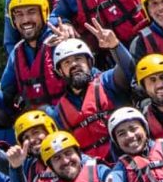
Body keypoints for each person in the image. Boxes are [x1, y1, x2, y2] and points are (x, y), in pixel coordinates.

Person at [51, 28, 134, 163]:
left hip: (125, 160)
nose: (74, 64)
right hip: (92, 171)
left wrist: (115, 46)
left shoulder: (107, 81)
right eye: (67, 62)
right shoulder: (58, 112)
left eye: (78, 58)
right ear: (60, 71)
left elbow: (130, 71)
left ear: (89, 62)